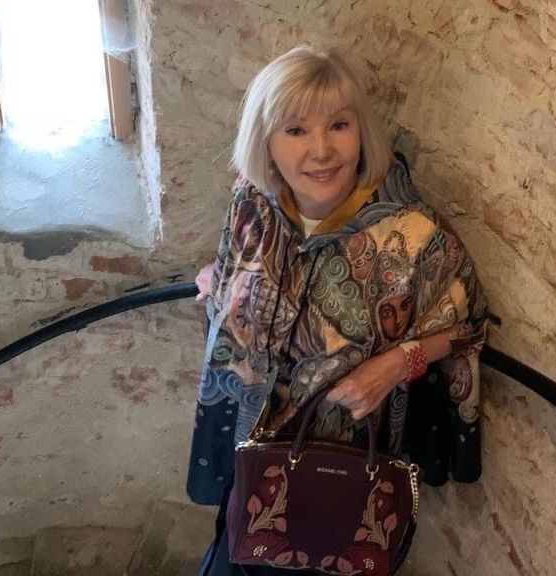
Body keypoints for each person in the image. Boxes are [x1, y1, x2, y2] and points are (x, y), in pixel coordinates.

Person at [188, 45, 487, 576]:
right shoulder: (253, 201)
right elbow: (237, 264)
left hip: (340, 473)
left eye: (339, 125)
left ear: (360, 132)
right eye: (296, 130)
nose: (322, 150)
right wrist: (224, 286)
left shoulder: (413, 235)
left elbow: (468, 323)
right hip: (249, 453)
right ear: (266, 142)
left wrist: (396, 365)